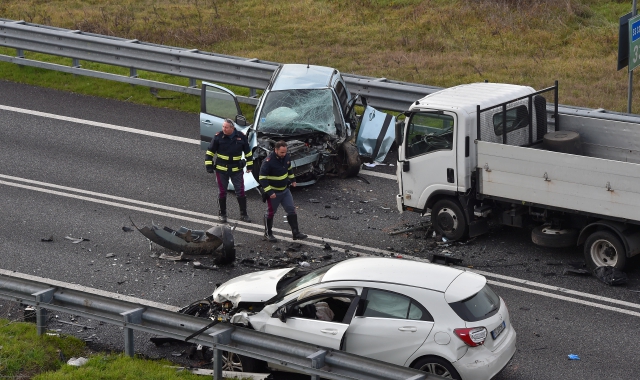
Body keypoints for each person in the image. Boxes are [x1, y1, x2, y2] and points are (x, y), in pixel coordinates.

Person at [205, 118, 253, 223]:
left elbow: (248, 153)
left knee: (240, 192)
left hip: (237, 170)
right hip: (221, 170)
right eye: (223, 127)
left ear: (232, 128)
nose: (224, 129)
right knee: (222, 192)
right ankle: (222, 214)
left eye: (226, 127)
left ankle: (243, 214)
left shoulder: (241, 137)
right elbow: (210, 152)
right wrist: (209, 165)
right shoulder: (218, 137)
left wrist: (250, 166)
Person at [259, 140, 307, 242]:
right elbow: (262, 178)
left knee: (291, 210)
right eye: (282, 152)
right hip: (274, 193)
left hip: (285, 191)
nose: (284, 154)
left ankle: (296, 233)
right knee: (270, 213)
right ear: (276, 150)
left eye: (285, 152)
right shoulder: (268, 161)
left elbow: (289, 169)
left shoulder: (286, 157)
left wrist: (293, 180)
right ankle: (268, 233)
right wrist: (269, 192)